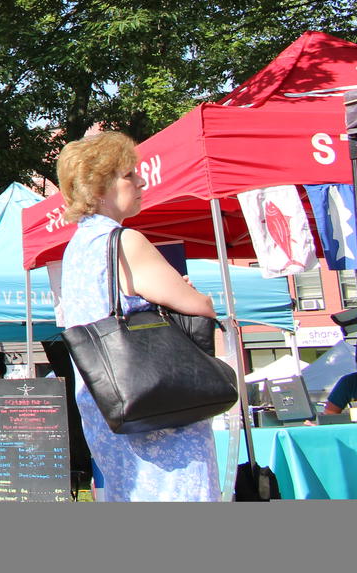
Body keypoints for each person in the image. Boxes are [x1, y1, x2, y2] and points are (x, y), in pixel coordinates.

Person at [52, 131, 220, 501]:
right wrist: (195, 295)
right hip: (160, 410)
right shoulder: (125, 241)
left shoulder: (77, 248)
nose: (141, 181)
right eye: (129, 174)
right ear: (98, 187)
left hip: (110, 405)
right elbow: (200, 308)